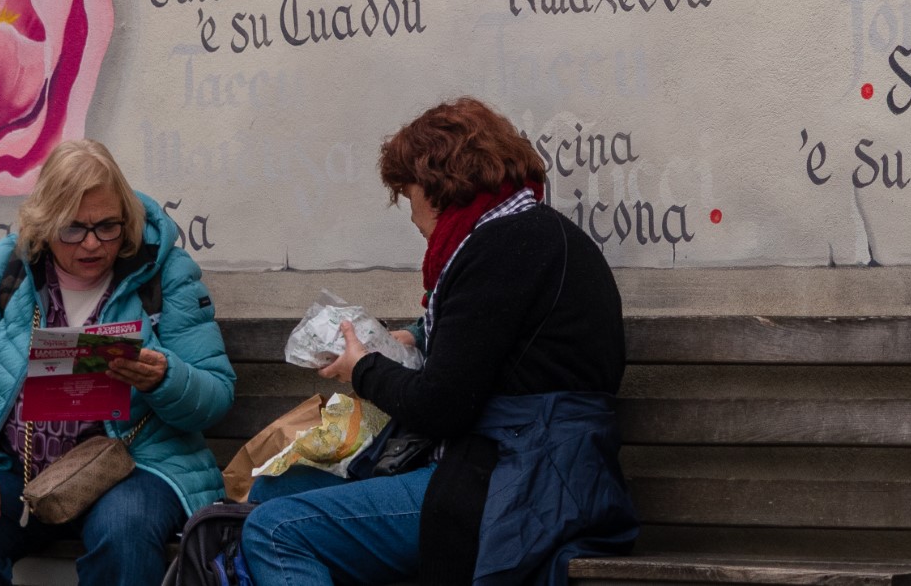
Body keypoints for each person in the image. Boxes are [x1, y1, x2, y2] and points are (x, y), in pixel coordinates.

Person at [242, 97, 636, 586]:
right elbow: (500, 333)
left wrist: (363, 368)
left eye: (409, 195)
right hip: (541, 465)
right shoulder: (531, 234)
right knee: (271, 492)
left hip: (521, 485)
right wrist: (415, 336)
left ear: (436, 184)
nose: (411, 217)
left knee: (275, 530)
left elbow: (440, 407)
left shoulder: (501, 247)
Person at [0, 139, 235, 586]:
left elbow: (217, 393)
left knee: (123, 528)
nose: (92, 243)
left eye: (107, 227)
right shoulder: (8, 269)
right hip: (24, 472)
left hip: (136, 468)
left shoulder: (165, 271)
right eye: (73, 228)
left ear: (125, 219)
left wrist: (165, 378)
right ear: (45, 223)